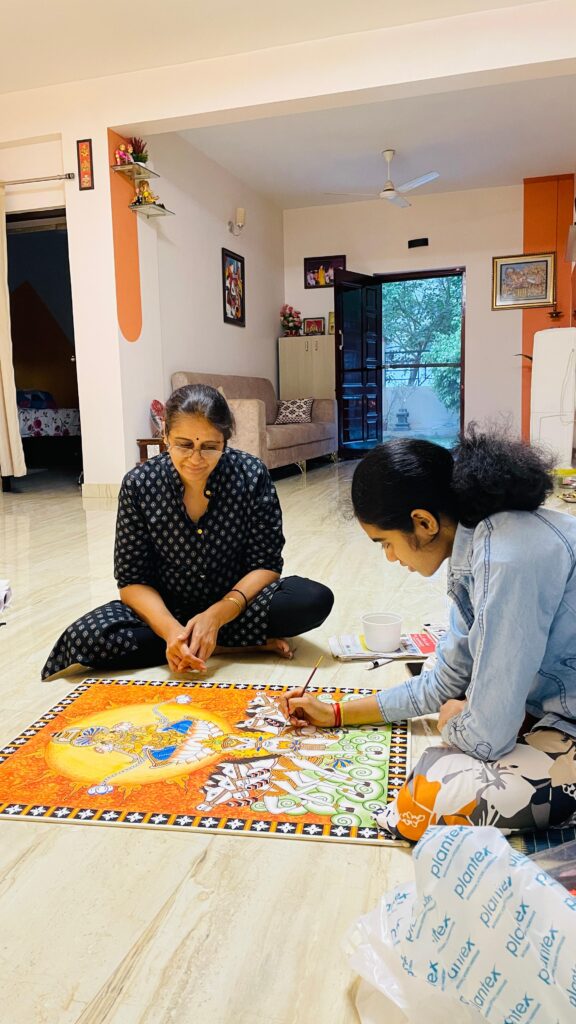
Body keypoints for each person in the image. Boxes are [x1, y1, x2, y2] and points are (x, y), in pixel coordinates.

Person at [281, 429, 576, 841]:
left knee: (423, 802)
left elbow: (487, 737)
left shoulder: (505, 560)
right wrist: (335, 713)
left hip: (566, 717)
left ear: (423, 522)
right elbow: (443, 683)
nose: (390, 557)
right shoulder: (479, 546)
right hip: (553, 706)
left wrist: (455, 721)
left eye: (385, 543)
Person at [42, 385, 333, 679]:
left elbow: (266, 564)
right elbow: (131, 581)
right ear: (165, 435)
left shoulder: (251, 475)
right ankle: (217, 645)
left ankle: (203, 639)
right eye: (183, 445)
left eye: (209, 446)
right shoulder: (139, 484)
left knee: (311, 600)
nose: (195, 459)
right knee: (87, 638)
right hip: (167, 610)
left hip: (236, 605)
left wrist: (217, 615)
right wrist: (170, 631)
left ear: (225, 440)